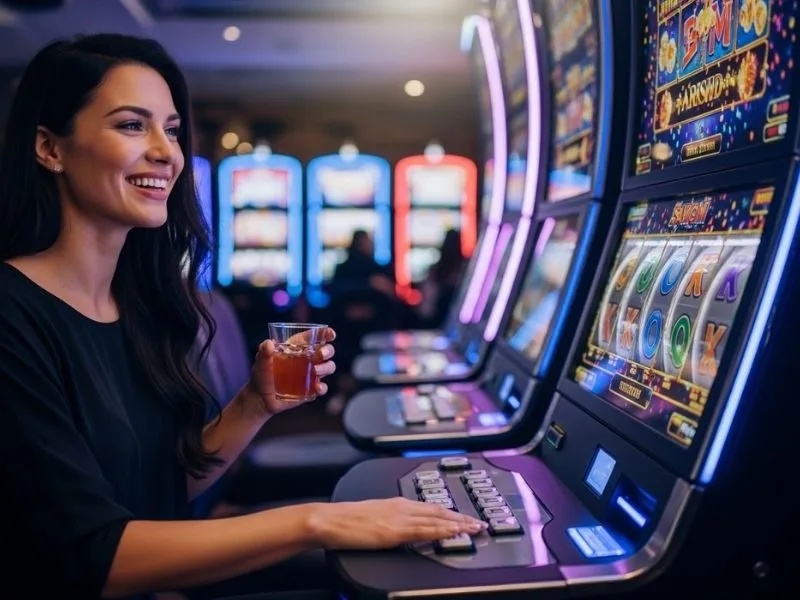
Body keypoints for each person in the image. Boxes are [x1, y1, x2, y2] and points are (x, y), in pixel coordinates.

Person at [0, 34, 486, 600]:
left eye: (173, 130)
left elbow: (163, 488)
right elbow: (94, 558)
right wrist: (318, 520)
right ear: (49, 148)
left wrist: (254, 404)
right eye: (132, 125)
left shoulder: (135, 304)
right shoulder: (13, 317)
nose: (167, 152)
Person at [415, 228, 466, 328]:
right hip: (456, 319)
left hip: (435, 319)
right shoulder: (464, 268)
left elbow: (426, 302)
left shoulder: (436, 269)